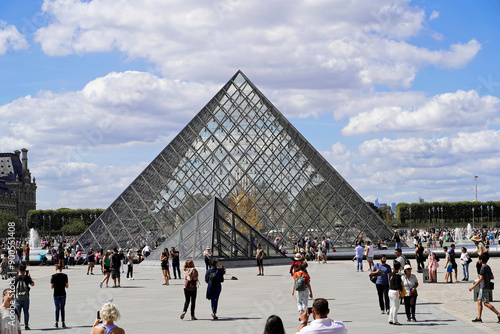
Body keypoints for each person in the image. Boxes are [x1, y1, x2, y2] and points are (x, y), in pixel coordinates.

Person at [468, 254, 500, 323]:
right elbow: (492, 277)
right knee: (479, 301)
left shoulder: (483, 268)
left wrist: (473, 286)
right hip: (487, 286)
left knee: (486, 303)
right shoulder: (488, 267)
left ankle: (499, 314)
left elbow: (481, 279)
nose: (478, 260)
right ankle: (479, 317)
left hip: (484, 287)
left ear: (481, 260)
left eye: (478, 259)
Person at [14, 263, 34, 330]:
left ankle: (18, 326)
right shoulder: (26, 277)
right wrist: (29, 276)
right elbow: (32, 284)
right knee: (26, 312)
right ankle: (26, 325)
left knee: (18, 312)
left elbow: (12, 287)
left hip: (17, 297)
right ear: (25, 270)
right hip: (26, 296)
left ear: (18, 270)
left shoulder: (15, 278)